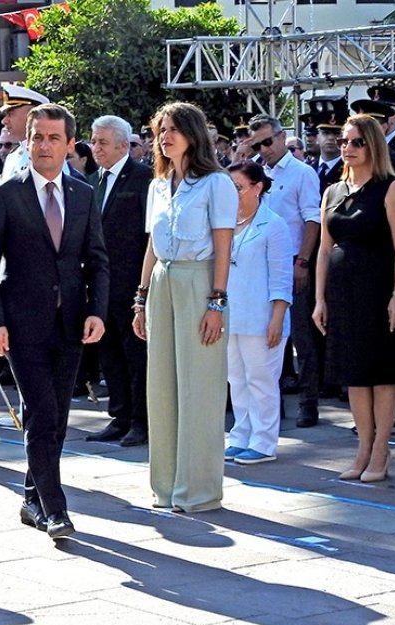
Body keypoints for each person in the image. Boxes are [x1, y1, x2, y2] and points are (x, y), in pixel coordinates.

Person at [0, 103, 109, 538]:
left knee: (58, 415)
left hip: (70, 322)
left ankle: (33, 497)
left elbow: (97, 260)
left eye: (54, 138)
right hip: (20, 324)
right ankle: (56, 509)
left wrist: (97, 310)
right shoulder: (6, 192)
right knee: (42, 412)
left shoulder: (84, 194)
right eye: (37, 137)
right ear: (26, 141)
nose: (45, 145)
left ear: (70, 145)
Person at [132, 102, 237, 513]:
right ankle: (166, 486)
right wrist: (140, 298)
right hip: (162, 283)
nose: (165, 136)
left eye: (173, 128)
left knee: (199, 388)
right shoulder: (157, 184)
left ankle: (198, 490)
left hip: (200, 280)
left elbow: (224, 247)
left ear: (193, 134)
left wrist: (217, 301)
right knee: (161, 388)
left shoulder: (217, 183)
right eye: (160, 129)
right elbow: (151, 246)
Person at [313, 114, 395, 483]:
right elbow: (323, 250)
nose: (347, 147)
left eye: (356, 142)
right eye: (345, 141)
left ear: (373, 146)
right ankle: (362, 447)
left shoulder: (391, 188)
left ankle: (381, 449)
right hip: (342, 293)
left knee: (382, 373)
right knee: (354, 374)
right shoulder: (332, 192)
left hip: (379, 290)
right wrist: (319, 298)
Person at [247, 115, 324, 428]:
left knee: (301, 338)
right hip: (257, 263)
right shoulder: (253, 171)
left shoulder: (301, 173)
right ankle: (271, 404)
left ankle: (309, 402)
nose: (264, 149)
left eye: (268, 141)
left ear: (281, 137)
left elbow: (312, 219)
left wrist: (303, 261)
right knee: (264, 335)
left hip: (291, 260)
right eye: (257, 144)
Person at [85, 115, 153, 447]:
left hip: (132, 282)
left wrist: (145, 286)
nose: (95, 148)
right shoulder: (91, 181)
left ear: (123, 146)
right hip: (100, 282)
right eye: (94, 141)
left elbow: (150, 235)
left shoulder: (144, 179)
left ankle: (142, 421)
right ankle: (120, 415)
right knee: (109, 352)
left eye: (102, 142)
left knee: (135, 353)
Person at [223, 161, 293, 465]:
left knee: (261, 380)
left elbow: (281, 278)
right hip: (231, 316)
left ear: (257, 187)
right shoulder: (225, 223)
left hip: (262, 318)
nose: (233, 194)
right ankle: (241, 435)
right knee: (236, 379)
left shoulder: (273, 224)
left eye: (238, 188)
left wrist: (277, 317)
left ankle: (264, 441)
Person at [0, 83, 49, 181]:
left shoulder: (49, 154)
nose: (4, 121)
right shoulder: (12, 158)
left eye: (10, 114)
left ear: (31, 115)